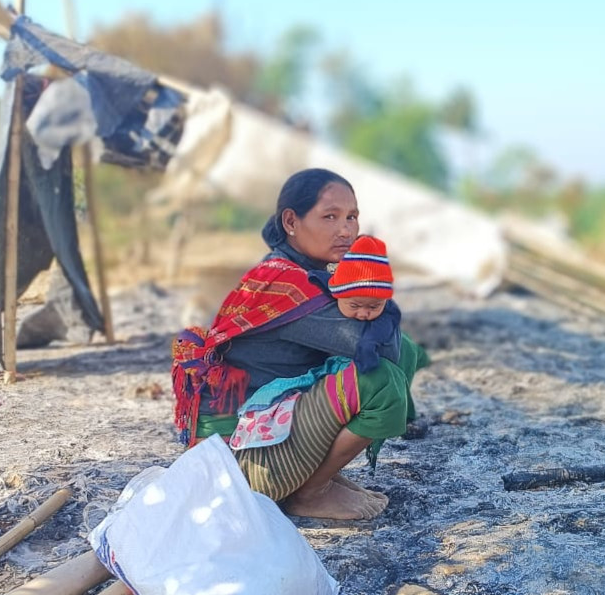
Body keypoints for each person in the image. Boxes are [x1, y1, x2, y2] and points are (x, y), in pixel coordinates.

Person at [172, 168, 428, 521]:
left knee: (404, 350)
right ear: (291, 221)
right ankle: (311, 493)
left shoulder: (305, 272)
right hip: (239, 471)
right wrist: (378, 297)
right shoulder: (288, 286)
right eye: (330, 217)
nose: (346, 230)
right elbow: (383, 351)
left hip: (261, 438)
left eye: (352, 216)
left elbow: (397, 347)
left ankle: (320, 475)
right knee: (380, 381)